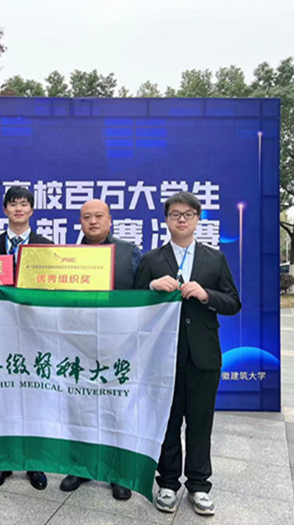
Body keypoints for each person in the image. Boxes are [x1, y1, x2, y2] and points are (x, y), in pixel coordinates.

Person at [135, 191, 241, 516]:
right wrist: (150, 287)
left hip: (203, 356)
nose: (181, 219)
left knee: (200, 423)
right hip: (162, 355)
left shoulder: (214, 259)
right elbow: (133, 304)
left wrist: (207, 295)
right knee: (167, 423)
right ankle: (167, 483)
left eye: (188, 214)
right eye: (175, 214)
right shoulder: (151, 260)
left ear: (197, 219)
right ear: (166, 220)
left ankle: (199, 485)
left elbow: (233, 303)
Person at [59, 198, 143, 501]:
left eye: (98, 216)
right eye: (86, 217)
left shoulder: (130, 252)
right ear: (80, 223)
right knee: (79, 406)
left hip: (119, 345)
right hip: (77, 343)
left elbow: (143, 295)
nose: (92, 221)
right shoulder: (66, 256)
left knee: (117, 408)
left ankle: (118, 472)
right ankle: (81, 466)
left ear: (110, 220)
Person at [0, 186, 52, 491]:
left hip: (35, 331)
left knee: (34, 394)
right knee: (2, 393)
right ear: (5, 209)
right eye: (13, 204)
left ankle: (34, 462)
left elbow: (52, 287)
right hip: (1, 330)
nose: (18, 209)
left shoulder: (44, 245)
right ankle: (2, 461)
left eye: (24, 204)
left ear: (31, 210)